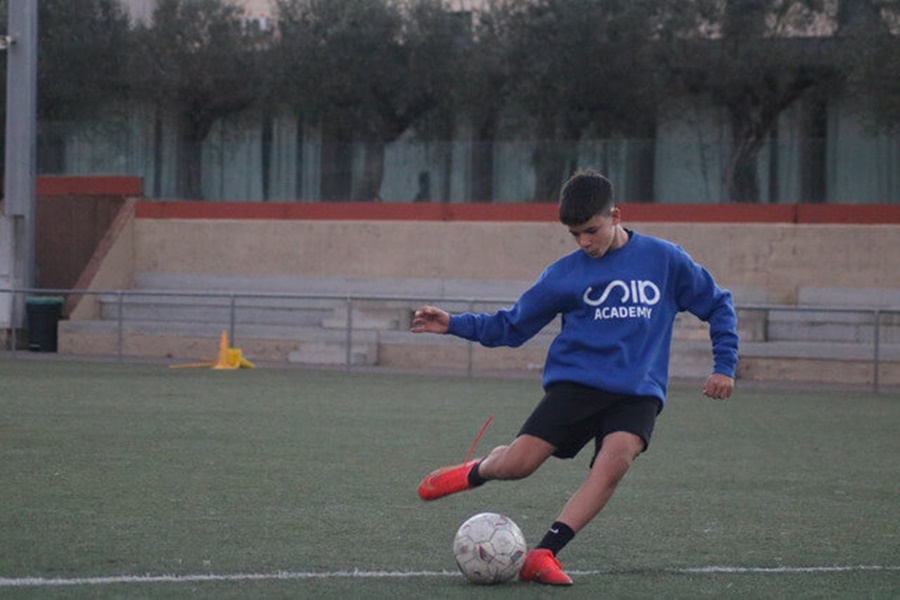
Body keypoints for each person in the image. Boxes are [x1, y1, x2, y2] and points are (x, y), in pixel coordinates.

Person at [410, 170, 738, 586]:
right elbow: (511, 327)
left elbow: (719, 304)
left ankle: (544, 553)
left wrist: (724, 365)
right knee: (518, 466)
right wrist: (453, 323)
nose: (584, 242)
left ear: (616, 215)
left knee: (615, 461)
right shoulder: (564, 274)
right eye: (574, 235)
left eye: (591, 230)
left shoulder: (665, 260)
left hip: (637, 393)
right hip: (576, 386)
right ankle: (479, 469)